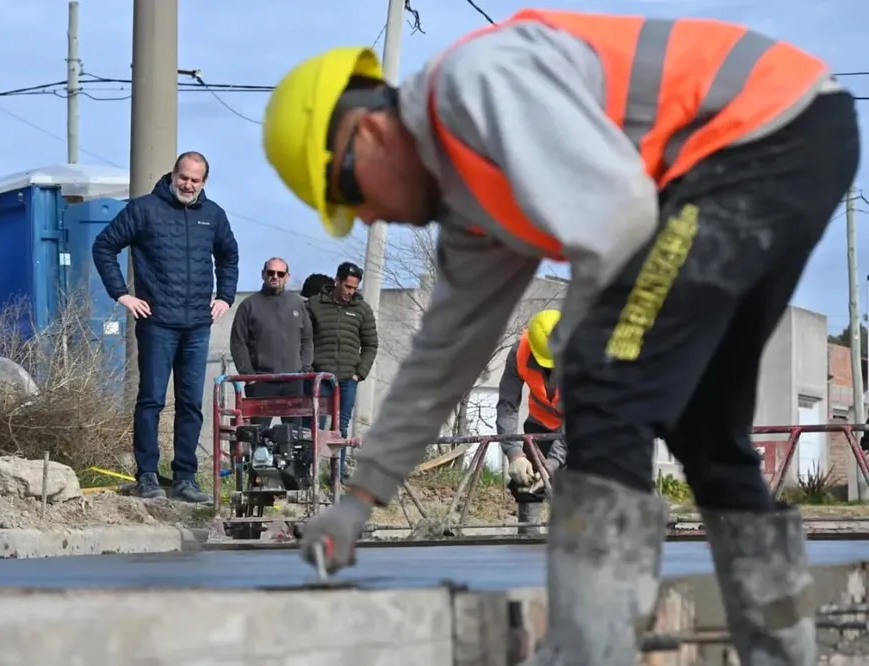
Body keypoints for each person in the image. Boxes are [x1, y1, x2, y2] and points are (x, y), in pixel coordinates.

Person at [261, 10, 860, 665]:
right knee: (705, 426)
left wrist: (592, 348)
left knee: (604, 377)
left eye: (351, 194)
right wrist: (359, 501)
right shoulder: (473, 208)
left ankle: (590, 646)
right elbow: (442, 360)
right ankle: (781, 650)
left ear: (367, 133)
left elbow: (619, 213)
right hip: (793, 133)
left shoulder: (475, 87)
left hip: (751, 138)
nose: (369, 216)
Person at [92, 150, 239, 503]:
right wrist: (121, 295)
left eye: (195, 179)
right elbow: (104, 246)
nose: (188, 184)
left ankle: (186, 478)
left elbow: (229, 255)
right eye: (183, 177)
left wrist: (226, 297)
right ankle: (147, 476)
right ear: (172, 175)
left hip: (197, 326)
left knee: (191, 404)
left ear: (204, 182)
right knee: (152, 401)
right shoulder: (144, 209)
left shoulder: (213, 215)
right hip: (157, 323)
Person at [304, 262, 378, 465]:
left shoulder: (362, 310)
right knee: (313, 426)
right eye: (347, 286)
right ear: (337, 281)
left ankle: (337, 474)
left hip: (347, 380)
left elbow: (371, 344)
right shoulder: (314, 304)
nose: (350, 292)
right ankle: (308, 473)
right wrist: (309, 368)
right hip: (319, 378)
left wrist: (359, 374)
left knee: (341, 428)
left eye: (354, 288)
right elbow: (304, 338)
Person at [229, 257, 313, 427]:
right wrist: (249, 376)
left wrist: (303, 369)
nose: (275, 276)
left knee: (294, 438)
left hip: (293, 382)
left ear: (287, 276)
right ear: (263, 274)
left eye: (280, 273)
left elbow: (307, 339)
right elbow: (238, 342)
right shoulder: (249, 305)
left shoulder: (297, 303)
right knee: (258, 436)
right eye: (271, 272)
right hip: (261, 382)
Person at [497, 310, 567, 494]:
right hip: (540, 422)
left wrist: (552, 464)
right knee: (525, 485)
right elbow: (507, 405)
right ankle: (529, 523)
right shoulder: (519, 351)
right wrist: (514, 453)